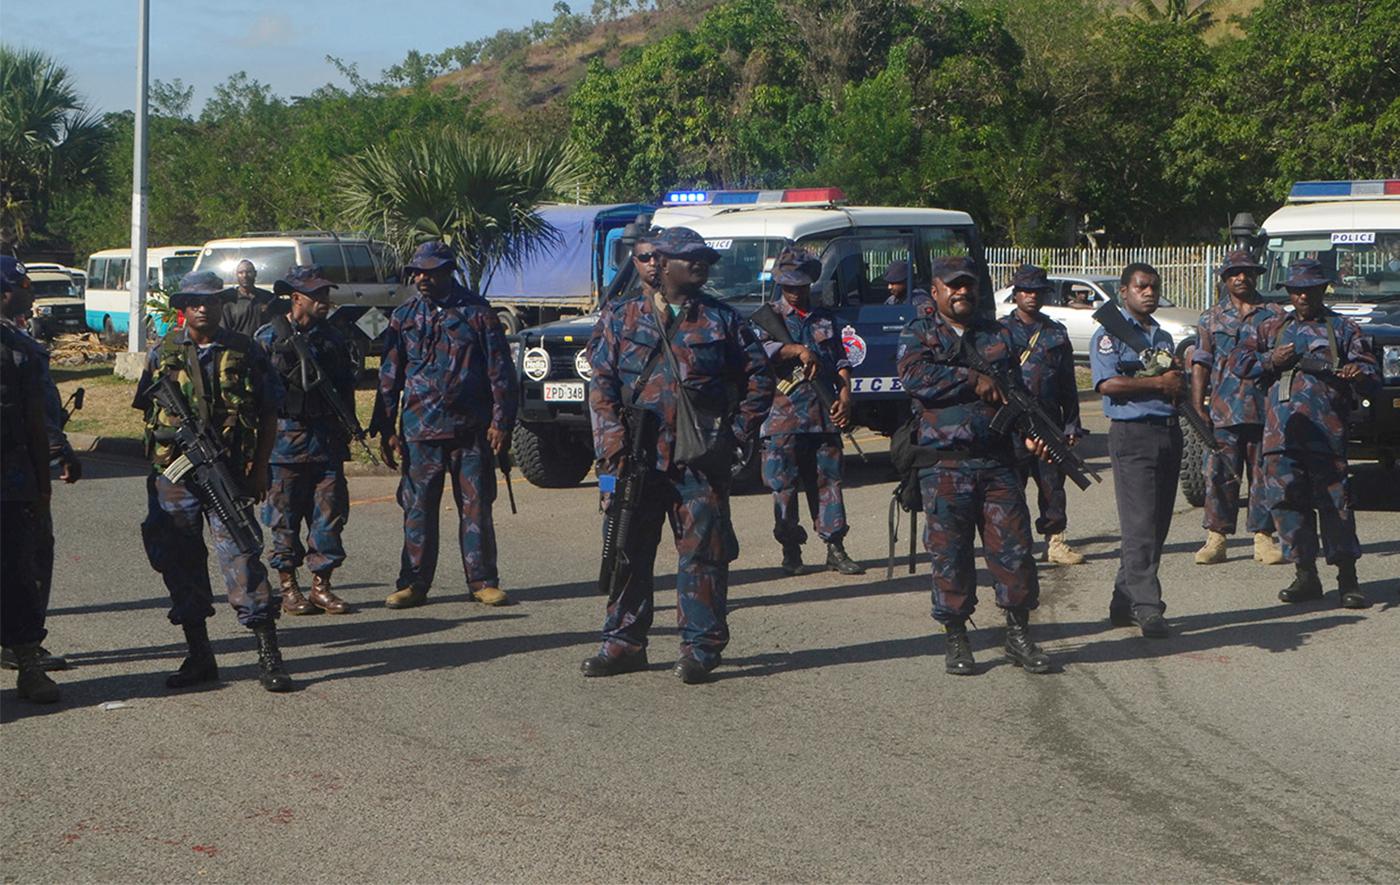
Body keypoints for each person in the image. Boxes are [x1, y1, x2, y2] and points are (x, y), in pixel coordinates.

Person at [582, 227, 773, 684]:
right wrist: (612, 447)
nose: (701, 265)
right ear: (662, 263)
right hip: (633, 459)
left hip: (697, 460)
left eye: (705, 258)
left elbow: (759, 379)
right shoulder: (621, 317)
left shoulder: (723, 320)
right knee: (627, 547)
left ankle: (700, 648)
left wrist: (736, 434)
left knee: (703, 556)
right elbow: (601, 385)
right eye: (691, 258)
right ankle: (624, 642)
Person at [132, 271, 294, 692]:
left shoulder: (246, 350)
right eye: (195, 301)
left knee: (242, 553)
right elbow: (145, 406)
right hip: (175, 477)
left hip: (229, 473)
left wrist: (259, 469)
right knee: (180, 560)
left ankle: (267, 652)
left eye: (213, 300)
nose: (204, 307)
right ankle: (199, 654)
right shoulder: (162, 352)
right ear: (182, 307)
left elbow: (270, 412)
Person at [896, 255, 1054, 676]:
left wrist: (1029, 431)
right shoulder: (919, 333)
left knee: (1016, 552)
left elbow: (1014, 391)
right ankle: (956, 637)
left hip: (998, 465)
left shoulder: (997, 333)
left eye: (968, 284)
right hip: (945, 466)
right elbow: (914, 377)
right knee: (950, 555)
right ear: (936, 291)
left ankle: (1018, 635)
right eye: (953, 285)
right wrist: (971, 379)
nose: (962, 291)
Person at [371, 241, 518, 610]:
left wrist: (502, 422)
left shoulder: (477, 314)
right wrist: (386, 426)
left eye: (429, 271)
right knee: (417, 509)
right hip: (420, 430)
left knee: (476, 508)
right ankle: (413, 583)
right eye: (417, 271)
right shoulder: (404, 316)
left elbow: (500, 372)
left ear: (447, 271)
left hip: (471, 430)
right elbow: (390, 375)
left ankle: (483, 580)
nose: (421, 277)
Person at [1234, 259, 1377, 608]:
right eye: (1296, 290)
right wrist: (1272, 361)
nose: (1302, 296)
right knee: (1287, 504)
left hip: (1327, 434)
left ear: (1322, 289)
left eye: (1309, 290)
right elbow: (1239, 363)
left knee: (1336, 505)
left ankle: (1347, 578)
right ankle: (1305, 574)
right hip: (1281, 436)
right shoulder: (1271, 327)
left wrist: (1357, 372)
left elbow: (1370, 370)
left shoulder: (1342, 328)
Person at [752, 248, 863, 576]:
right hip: (782, 418)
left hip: (822, 414)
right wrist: (796, 350)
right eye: (788, 285)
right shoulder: (767, 317)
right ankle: (790, 548)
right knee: (782, 487)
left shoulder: (826, 319)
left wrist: (845, 394)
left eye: (800, 285)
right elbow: (758, 352)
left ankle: (835, 547)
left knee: (829, 482)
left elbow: (841, 361)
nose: (795, 291)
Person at [254, 266, 357, 616]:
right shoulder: (268, 338)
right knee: (284, 520)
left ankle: (321, 587)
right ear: (296, 298)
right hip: (283, 446)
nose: (325, 301)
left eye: (327, 294)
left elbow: (346, 390)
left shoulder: (334, 338)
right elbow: (254, 398)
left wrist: (348, 431)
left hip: (326, 443)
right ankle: (288, 588)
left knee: (329, 517)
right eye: (318, 295)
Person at [1090, 263, 1184, 638]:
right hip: (1132, 435)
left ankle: (1122, 600)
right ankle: (1148, 608)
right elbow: (1107, 384)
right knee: (1140, 525)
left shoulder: (1161, 336)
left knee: (1156, 526)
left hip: (1166, 431)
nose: (1149, 293)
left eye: (1154, 287)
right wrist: (1160, 383)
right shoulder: (1109, 336)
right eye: (1141, 286)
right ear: (1124, 292)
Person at [0, 257, 81, 675]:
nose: (30, 293)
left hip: (16, 476)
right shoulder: (18, 347)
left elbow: (37, 413)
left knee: (22, 561)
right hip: (18, 476)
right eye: (22, 286)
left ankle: (22, 648)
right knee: (26, 560)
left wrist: (53, 453)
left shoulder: (19, 346)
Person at [1190, 249, 1285, 566]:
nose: (1241, 278)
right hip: (1223, 410)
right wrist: (1197, 405)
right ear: (1225, 279)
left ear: (1256, 275)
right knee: (1219, 474)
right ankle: (1216, 537)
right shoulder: (1211, 317)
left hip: (1265, 410)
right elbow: (1200, 362)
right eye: (1234, 273)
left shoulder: (1274, 314)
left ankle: (1263, 537)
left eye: (1247, 272)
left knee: (1264, 475)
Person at [1000, 264, 1087, 565]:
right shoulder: (999, 331)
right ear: (1016, 294)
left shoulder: (1055, 332)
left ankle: (1056, 542)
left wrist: (1072, 423)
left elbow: (1068, 383)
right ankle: (1014, 544)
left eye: (1037, 291)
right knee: (1009, 488)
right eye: (1026, 291)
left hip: (1047, 420)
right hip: (1010, 426)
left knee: (1052, 485)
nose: (1032, 297)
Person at [221, 259, 286, 337]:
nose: (245, 276)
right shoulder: (229, 300)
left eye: (249, 272)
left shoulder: (267, 297)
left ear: (255, 274)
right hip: (237, 346)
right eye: (240, 273)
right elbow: (223, 330)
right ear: (236, 275)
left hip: (263, 346)